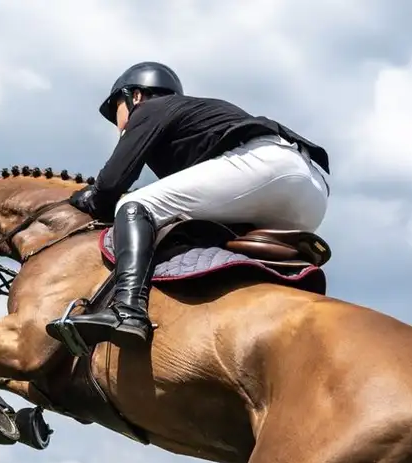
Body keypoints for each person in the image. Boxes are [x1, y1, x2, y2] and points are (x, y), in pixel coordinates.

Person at [48, 61, 331, 350]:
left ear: (135, 96)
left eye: (116, 108)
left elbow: (109, 187)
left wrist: (82, 199)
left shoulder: (149, 109)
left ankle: (128, 312)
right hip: (312, 193)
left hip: (267, 167)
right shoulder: (189, 119)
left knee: (135, 204)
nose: (117, 121)